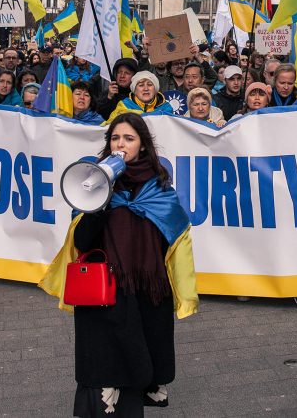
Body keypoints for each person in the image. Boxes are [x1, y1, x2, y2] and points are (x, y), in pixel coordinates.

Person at [40, 113, 198, 416]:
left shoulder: (159, 186)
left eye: (128, 138)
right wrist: (98, 202)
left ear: (142, 145)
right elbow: (82, 242)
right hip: (105, 294)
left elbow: (173, 237)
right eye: (115, 138)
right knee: (102, 375)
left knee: (135, 376)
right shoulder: (92, 182)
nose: (120, 144)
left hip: (147, 294)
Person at [107, 71, 173, 123]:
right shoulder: (124, 105)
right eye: (141, 85)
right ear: (135, 91)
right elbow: (110, 126)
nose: (146, 88)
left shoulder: (166, 108)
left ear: (155, 90)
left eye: (150, 85)